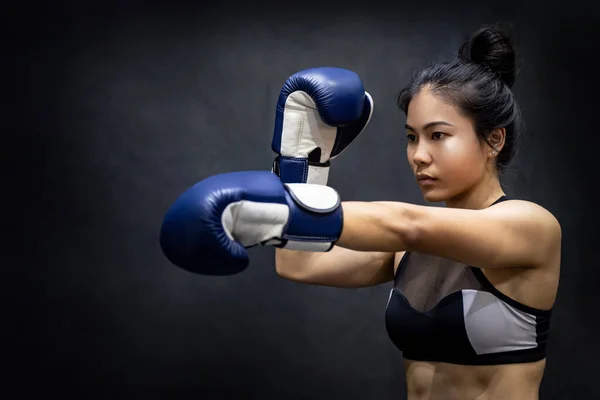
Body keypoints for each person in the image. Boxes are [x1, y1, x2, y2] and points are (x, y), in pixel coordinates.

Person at [159, 24, 561, 400]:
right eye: (411, 137)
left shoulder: (530, 227)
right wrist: (303, 161)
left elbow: (407, 224)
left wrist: (277, 211)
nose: (419, 155)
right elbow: (299, 264)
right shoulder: (405, 251)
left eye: (438, 135)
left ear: (493, 140)